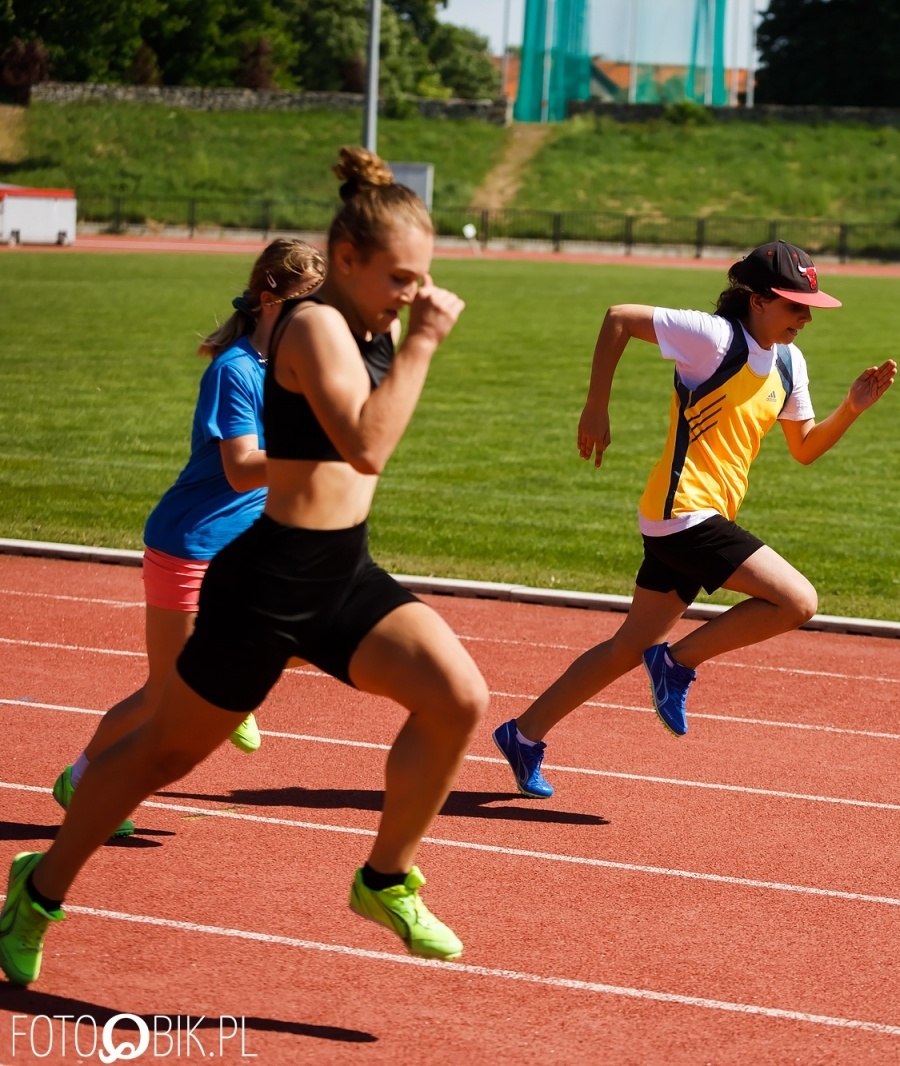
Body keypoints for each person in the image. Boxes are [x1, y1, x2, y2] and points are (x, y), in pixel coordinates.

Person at [1, 147, 488, 986]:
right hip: (268, 583)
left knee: (457, 699)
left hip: (343, 573)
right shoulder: (314, 326)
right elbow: (366, 446)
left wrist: (407, 331)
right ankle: (34, 892)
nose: (417, 293)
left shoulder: (379, 322)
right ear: (345, 261)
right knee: (160, 756)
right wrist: (427, 344)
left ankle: (384, 879)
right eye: (402, 277)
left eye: (424, 278)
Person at [491, 241, 896, 800]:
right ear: (756, 300)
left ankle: (523, 733)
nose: (805, 317)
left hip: (686, 519)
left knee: (628, 646)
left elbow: (803, 449)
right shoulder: (713, 336)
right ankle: (676, 664)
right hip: (684, 513)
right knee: (798, 600)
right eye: (794, 306)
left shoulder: (788, 361)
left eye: (810, 308)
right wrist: (596, 406)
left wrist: (851, 407)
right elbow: (618, 319)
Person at [50, 239, 327, 840]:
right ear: (270, 300)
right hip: (192, 545)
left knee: (323, 632)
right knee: (164, 695)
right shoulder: (234, 369)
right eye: (310, 306)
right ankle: (82, 777)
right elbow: (241, 469)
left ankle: (239, 683)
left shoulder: (291, 370)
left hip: (247, 546)